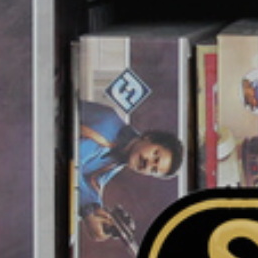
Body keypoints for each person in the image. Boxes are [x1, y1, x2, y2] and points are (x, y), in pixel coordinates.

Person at [77, 99, 184, 242]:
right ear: (149, 137)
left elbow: (93, 180)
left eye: (153, 170)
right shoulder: (107, 127)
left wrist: (98, 210)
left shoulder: (121, 157)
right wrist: (87, 211)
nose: (148, 164)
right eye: (155, 156)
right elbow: (68, 161)